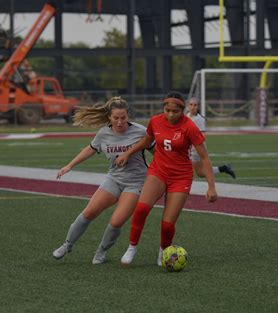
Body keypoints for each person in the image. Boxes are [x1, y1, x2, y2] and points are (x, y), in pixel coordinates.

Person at [114, 91, 218, 266]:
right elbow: (147, 140)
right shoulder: (155, 121)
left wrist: (211, 187)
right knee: (141, 209)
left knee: (168, 224)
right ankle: (132, 247)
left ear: (182, 110)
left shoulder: (189, 127)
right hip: (158, 171)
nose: (170, 114)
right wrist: (128, 153)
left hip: (181, 176)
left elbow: (205, 158)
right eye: (167, 110)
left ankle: (164, 251)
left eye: (174, 111)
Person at [52, 96, 153, 264]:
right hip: (114, 179)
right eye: (116, 118)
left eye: (123, 117)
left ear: (128, 116)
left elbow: (157, 153)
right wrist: (70, 165)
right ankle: (67, 244)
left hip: (136, 183)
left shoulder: (141, 132)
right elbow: (90, 149)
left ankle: (101, 251)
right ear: (109, 117)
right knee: (89, 212)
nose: (120, 122)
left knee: (116, 221)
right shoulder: (104, 133)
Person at [186, 97, 236, 179]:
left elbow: (203, 136)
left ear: (198, 107)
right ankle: (224, 168)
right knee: (200, 173)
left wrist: (190, 141)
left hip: (196, 149)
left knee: (191, 170)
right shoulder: (187, 116)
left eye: (195, 105)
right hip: (190, 147)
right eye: (191, 105)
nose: (193, 107)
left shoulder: (199, 119)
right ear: (188, 106)